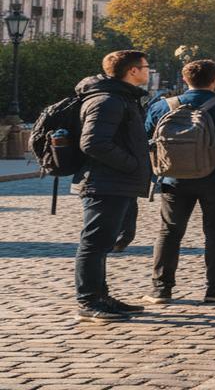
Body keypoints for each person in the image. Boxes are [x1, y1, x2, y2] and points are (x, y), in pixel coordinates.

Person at [142, 59, 215, 305]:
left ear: (185, 79)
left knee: (169, 232)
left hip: (173, 177)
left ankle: (161, 289)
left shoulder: (162, 106)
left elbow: (147, 137)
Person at [73, 50, 153, 322]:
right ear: (132, 71)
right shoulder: (107, 100)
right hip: (105, 182)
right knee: (94, 244)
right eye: (145, 67)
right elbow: (93, 143)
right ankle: (89, 300)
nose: (148, 71)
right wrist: (131, 165)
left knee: (105, 242)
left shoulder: (120, 97)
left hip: (117, 182)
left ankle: (102, 296)